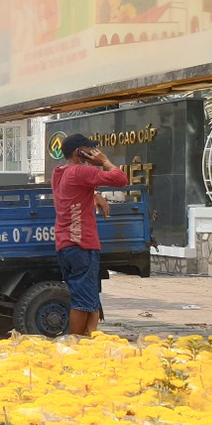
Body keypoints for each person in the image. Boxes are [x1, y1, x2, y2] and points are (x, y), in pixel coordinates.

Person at [51, 133, 128, 336]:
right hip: (82, 245)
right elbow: (121, 179)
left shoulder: (59, 172)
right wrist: (104, 162)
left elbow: (72, 191)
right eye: (89, 150)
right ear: (79, 152)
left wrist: (95, 194)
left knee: (90, 298)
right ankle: (77, 343)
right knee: (83, 302)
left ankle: (89, 338)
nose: (94, 153)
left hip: (65, 244)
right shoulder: (80, 171)